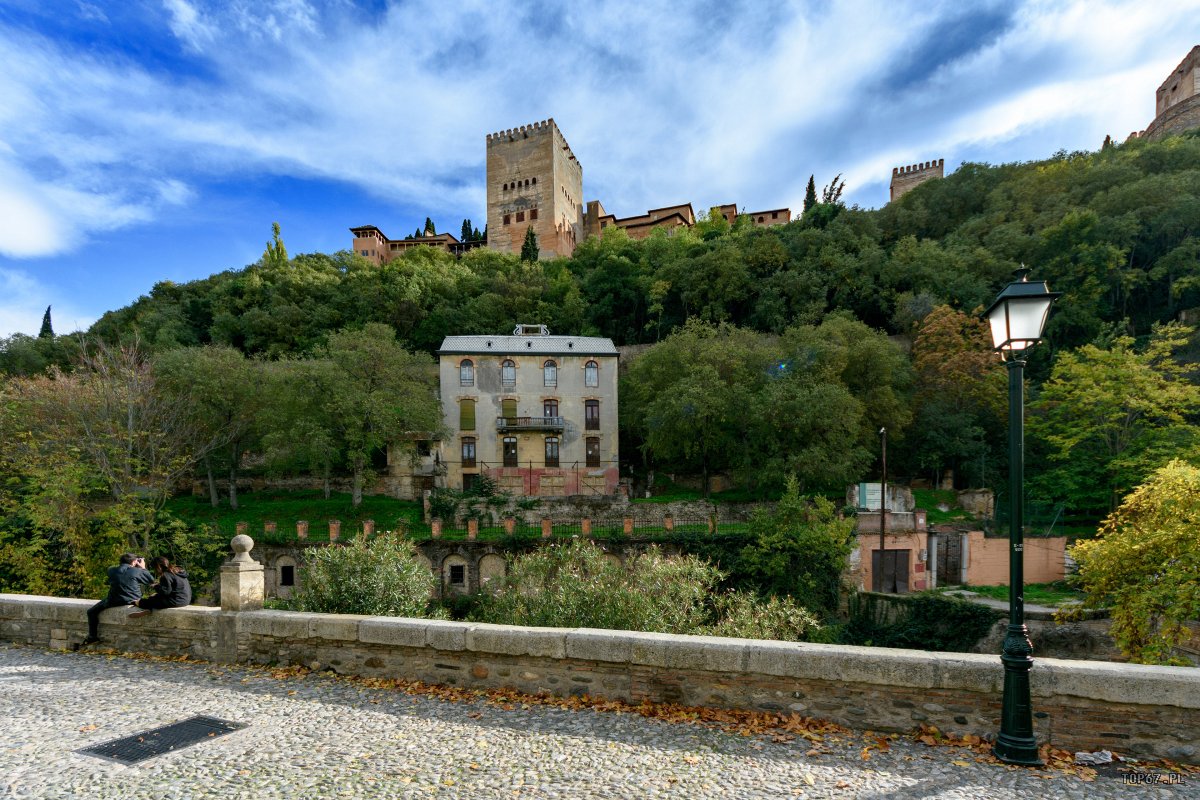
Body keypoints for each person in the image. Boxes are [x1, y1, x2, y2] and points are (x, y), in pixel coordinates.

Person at [84, 553, 153, 644]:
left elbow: (112, 580)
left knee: (91, 612)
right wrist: (143, 568)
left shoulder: (111, 570)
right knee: (148, 599)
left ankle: (92, 637)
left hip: (113, 600)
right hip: (133, 600)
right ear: (133, 562)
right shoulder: (137, 571)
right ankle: (145, 607)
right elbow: (150, 580)